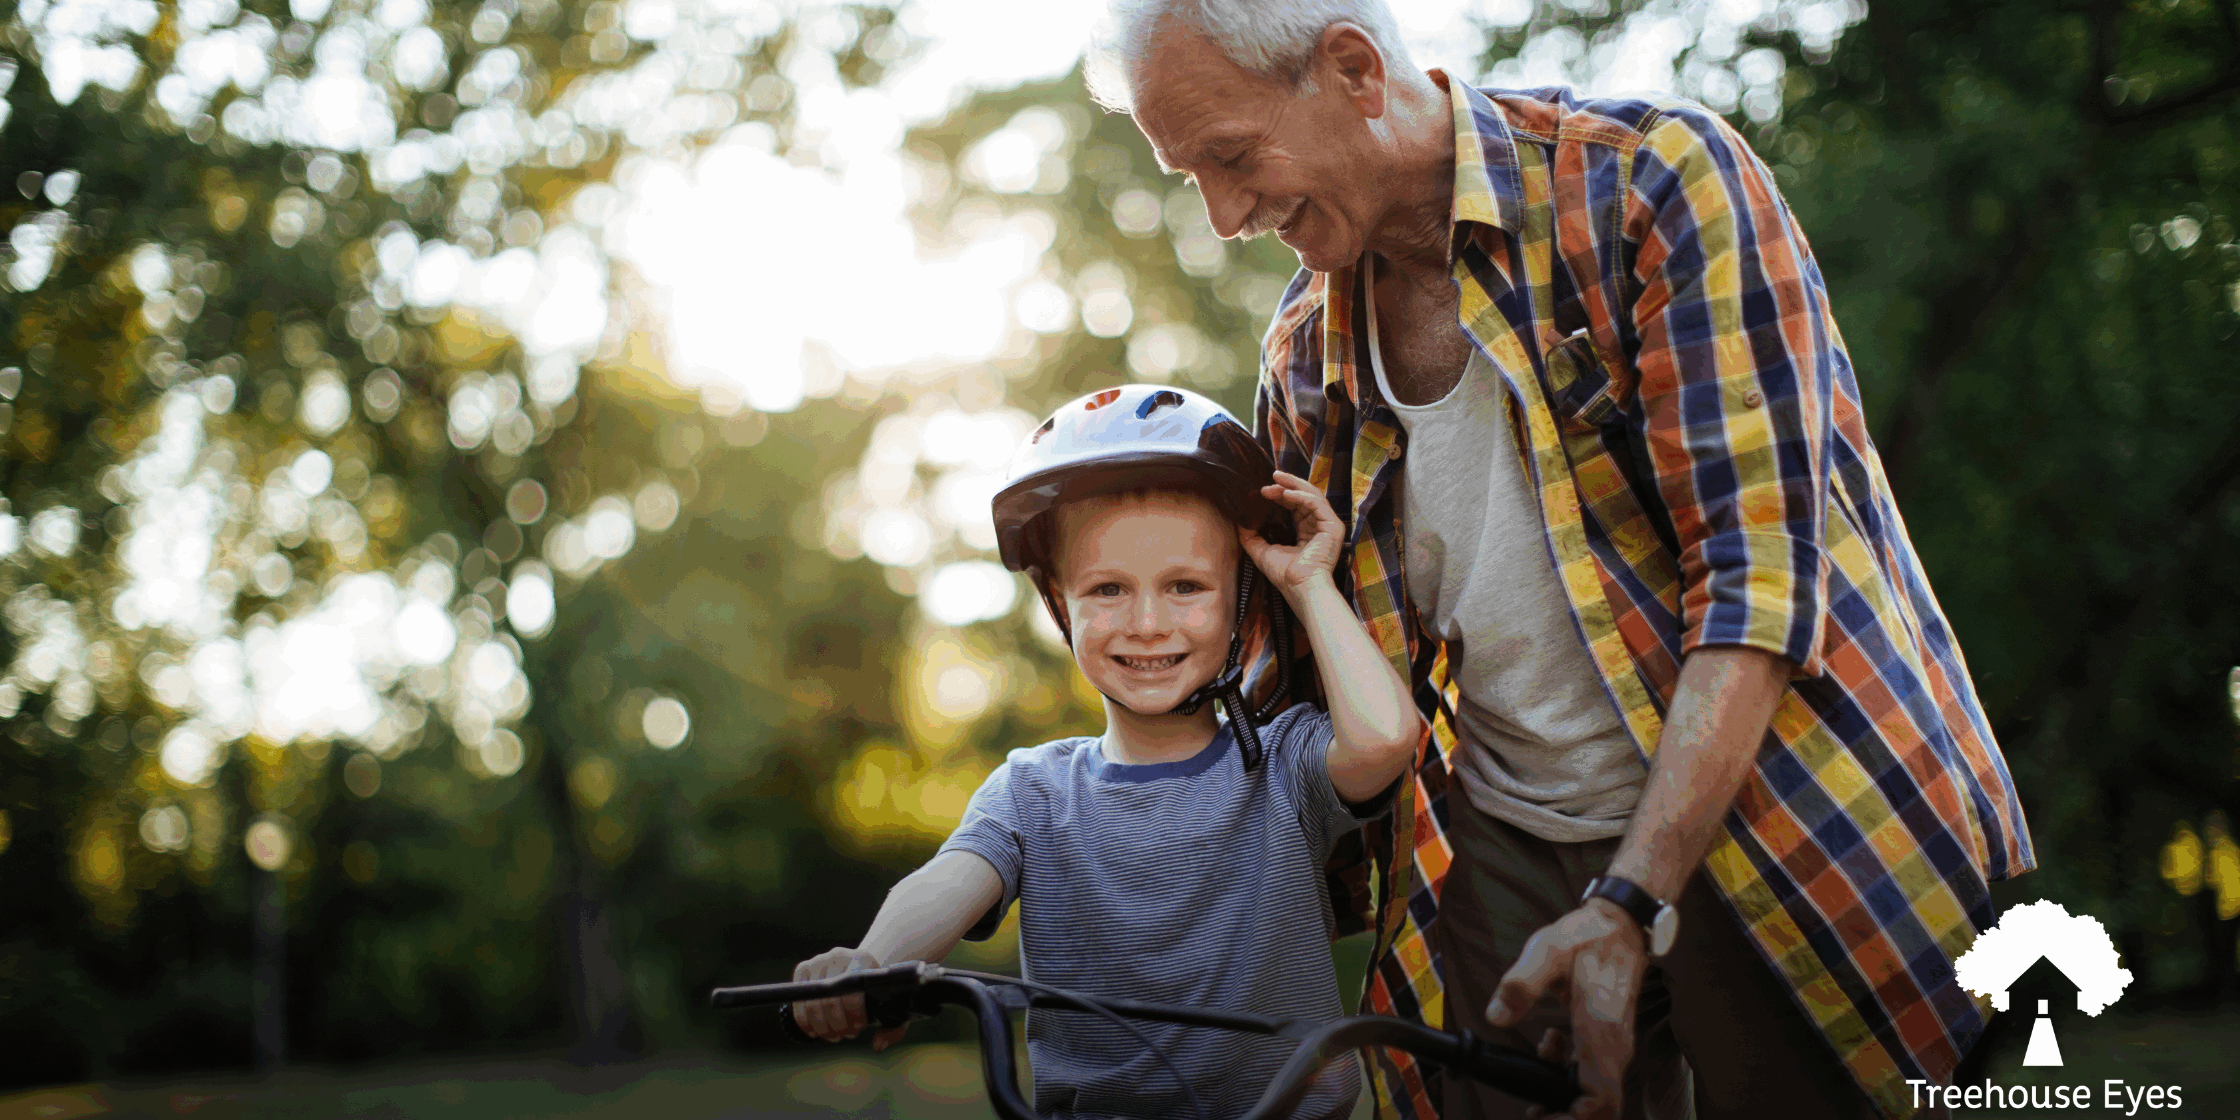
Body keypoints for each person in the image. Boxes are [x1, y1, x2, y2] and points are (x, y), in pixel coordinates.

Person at [1090, 3, 2035, 1119]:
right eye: (1189, 174)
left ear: (1350, 69)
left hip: (1778, 798)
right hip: (1506, 834)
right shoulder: (1305, 355)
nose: (1222, 215)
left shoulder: (1649, 184)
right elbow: (1292, 694)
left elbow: (1759, 578)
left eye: (1232, 159)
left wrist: (1630, 902)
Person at [789, 384, 1423, 1119]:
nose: (1148, 623)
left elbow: (1384, 737)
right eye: (1107, 590)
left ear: (1242, 597)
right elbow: (944, 885)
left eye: (1186, 586)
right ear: (1061, 605)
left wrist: (1307, 580)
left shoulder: (1283, 766)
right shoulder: (1032, 792)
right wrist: (872, 962)